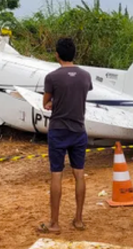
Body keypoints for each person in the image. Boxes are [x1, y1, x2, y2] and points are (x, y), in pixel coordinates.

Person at [37, 37, 93, 234]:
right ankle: (78, 219)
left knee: (56, 174)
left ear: (57, 55)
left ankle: (54, 223)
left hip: (58, 130)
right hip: (79, 130)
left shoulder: (51, 77)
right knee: (79, 173)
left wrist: (53, 103)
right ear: (74, 54)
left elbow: (46, 103)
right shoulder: (86, 76)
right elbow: (80, 97)